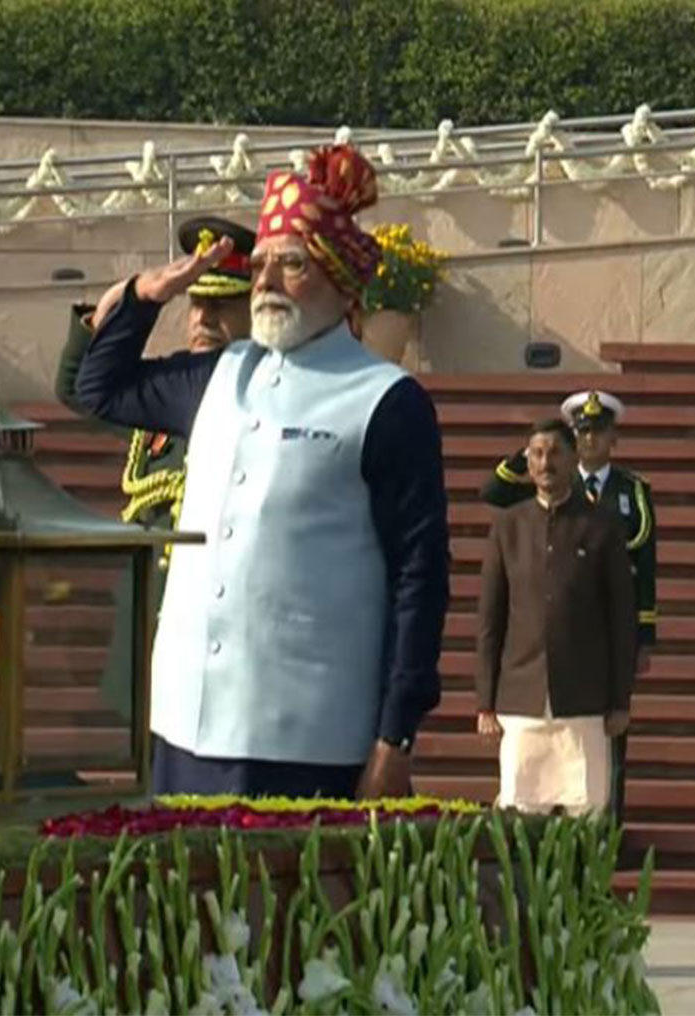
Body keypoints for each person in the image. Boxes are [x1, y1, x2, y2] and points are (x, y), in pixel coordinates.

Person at [75, 145, 450, 801]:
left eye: (293, 263)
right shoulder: (221, 373)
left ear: (337, 278)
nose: (268, 280)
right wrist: (143, 297)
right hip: (185, 725)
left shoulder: (384, 399)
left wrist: (396, 737)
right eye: (261, 265)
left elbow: (419, 579)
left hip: (305, 735)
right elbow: (99, 389)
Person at [54, 216, 255, 722]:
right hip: (152, 618)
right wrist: (119, 304)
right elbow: (79, 389)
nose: (204, 316)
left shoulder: (266, 392)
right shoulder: (164, 391)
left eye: (222, 303)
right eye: (196, 302)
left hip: (222, 624)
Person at [479, 388, 656, 822]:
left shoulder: (604, 523)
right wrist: (486, 701)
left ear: (572, 455)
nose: (545, 463)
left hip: (584, 695)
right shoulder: (510, 525)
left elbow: (621, 616)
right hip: (522, 694)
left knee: (587, 811)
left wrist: (620, 701)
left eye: (555, 453)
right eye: (536, 454)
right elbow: (491, 619)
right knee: (520, 816)